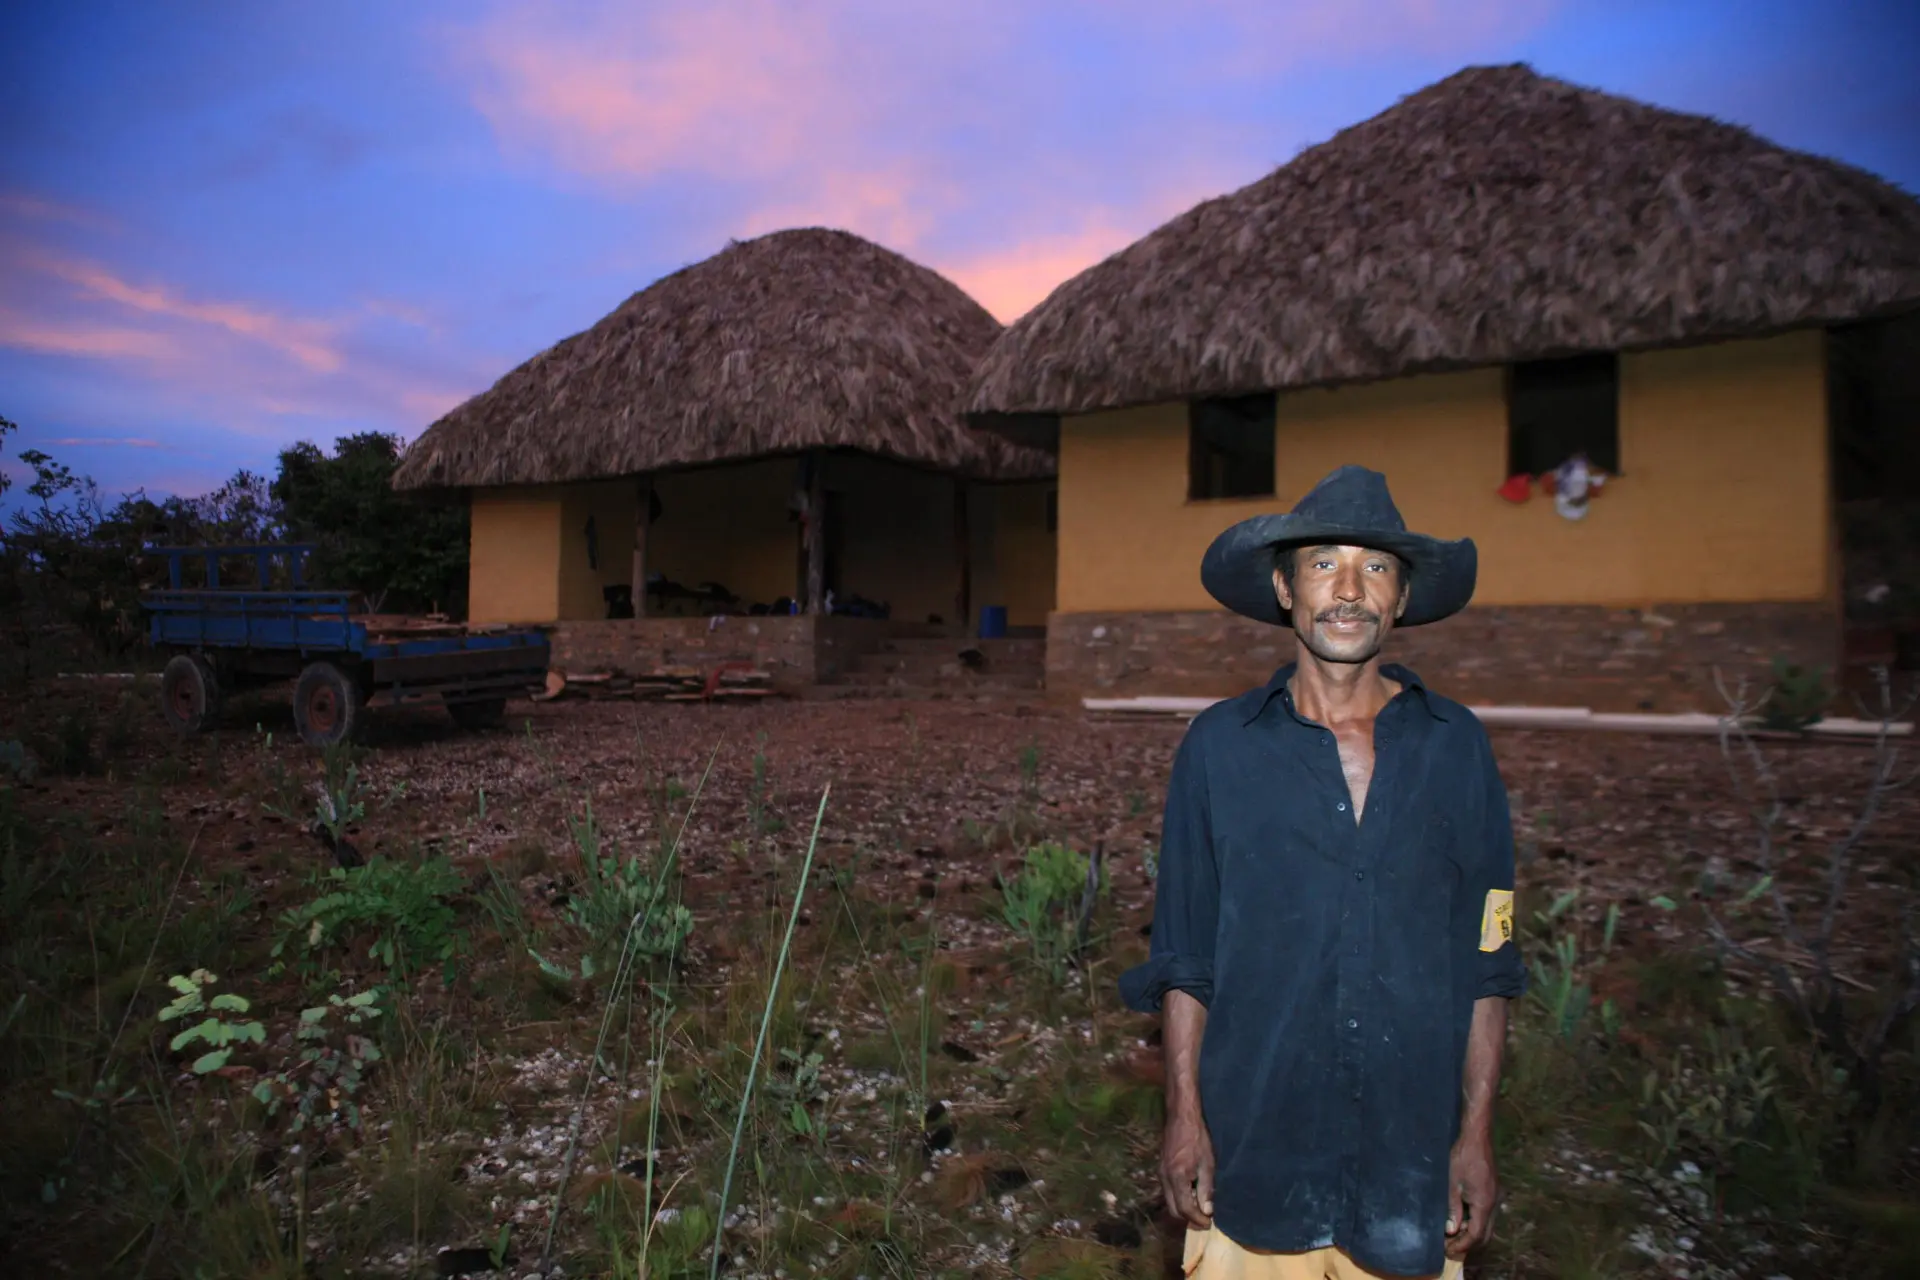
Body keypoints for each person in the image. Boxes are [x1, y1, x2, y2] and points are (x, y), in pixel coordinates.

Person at [1119, 465, 1526, 1279]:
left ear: (1402, 598)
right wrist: (1185, 1120)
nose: (1348, 589)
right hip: (1252, 1166)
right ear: (1283, 587)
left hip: (1408, 1173)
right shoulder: (1218, 750)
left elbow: (1487, 963)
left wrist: (1474, 1135)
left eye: (1375, 567)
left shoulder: (1457, 749)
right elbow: (1187, 959)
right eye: (1322, 564)